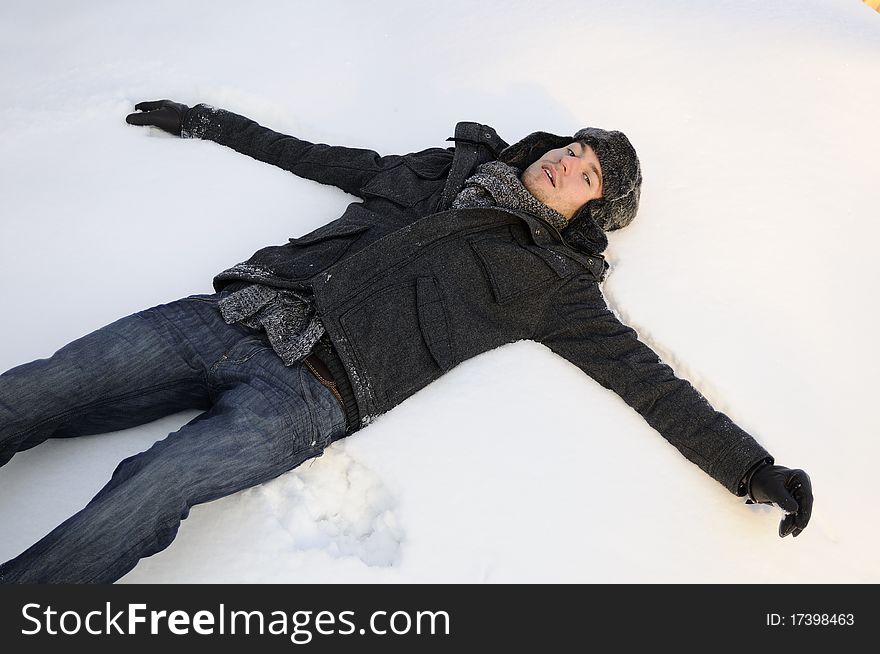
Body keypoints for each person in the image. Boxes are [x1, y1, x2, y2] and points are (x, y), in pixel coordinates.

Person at [0, 100, 813, 584]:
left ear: (590, 214)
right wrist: (209, 122)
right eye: (575, 147)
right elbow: (320, 157)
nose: (571, 161)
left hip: (308, 396)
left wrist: (752, 469)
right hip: (238, 313)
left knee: (150, 487)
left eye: (590, 174)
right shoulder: (439, 171)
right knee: (30, 392)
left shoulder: (555, 285)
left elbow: (651, 383)